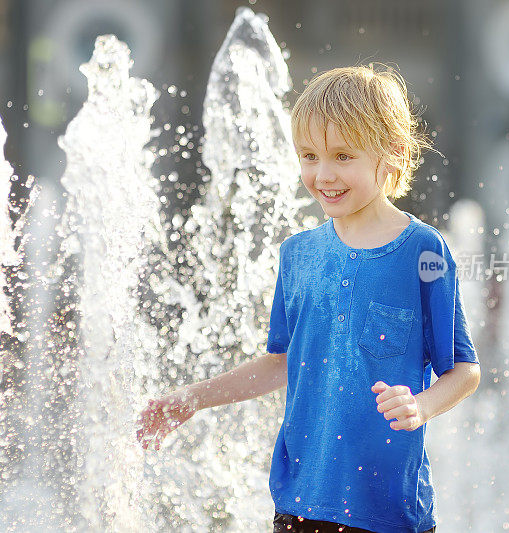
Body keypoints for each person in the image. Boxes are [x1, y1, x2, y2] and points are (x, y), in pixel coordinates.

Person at [136, 64, 481, 533]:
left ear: (393, 154)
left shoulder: (423, 252)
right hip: (299, 502)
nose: (323, 174)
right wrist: (192, 398)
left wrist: (422, 405)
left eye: (343, 155)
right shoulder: (299, 254)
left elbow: (463, 370)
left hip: (388, 511)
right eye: (309, 156)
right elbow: (280, 363)